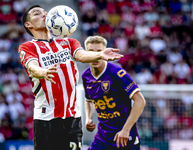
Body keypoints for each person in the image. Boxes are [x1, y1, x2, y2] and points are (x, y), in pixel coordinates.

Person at [18, 5, 123, 150]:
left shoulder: (68, 42)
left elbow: (82, 55)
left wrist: (99, 54)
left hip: (72, 118)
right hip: (45, 118)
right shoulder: (27, 47)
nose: (44, 15)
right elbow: (32, 67)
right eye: (37, 14)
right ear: (28, 24)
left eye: (45, 13)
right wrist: (43, 72)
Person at [82, 36, 146, 150]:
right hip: (102, 138)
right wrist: (88, 118)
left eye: (99, 51)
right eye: (91, 51)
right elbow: (89, 100)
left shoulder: (117, 73)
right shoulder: (86, 76)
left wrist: (126, 130)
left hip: (124, 138)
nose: (96, 56)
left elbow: (140, 101)